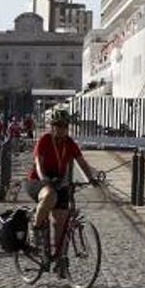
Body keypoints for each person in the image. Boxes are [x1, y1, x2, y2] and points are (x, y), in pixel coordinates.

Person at [25, 110, 101, 275]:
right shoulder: (45, 140)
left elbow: (82, 162)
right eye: (58, 125)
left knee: (61, 219)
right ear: (52, 127)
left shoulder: (69, 143)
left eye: (64, 126)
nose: (61, 129)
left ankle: (59, 260)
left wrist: (92, 178)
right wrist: (43, 177)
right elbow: (38, 162)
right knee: (50, 196)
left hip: (58, 183)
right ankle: (35, 230)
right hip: (38, 180)